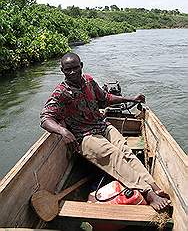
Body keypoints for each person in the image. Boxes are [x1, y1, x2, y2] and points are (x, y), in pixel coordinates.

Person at [40, 52, 171, 211]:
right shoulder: (61, 92)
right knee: (113, 154)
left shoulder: (88, 81)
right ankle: (148, 193)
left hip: (102, 126)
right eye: (68, 70)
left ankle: (153, 184)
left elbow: (105, 99)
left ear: (81, 66)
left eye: (75, 68)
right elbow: (46, 118)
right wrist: (63, 131)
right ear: (62, 70)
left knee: (125, 150)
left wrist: (130, 99)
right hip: (84, 136)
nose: (73, 72)